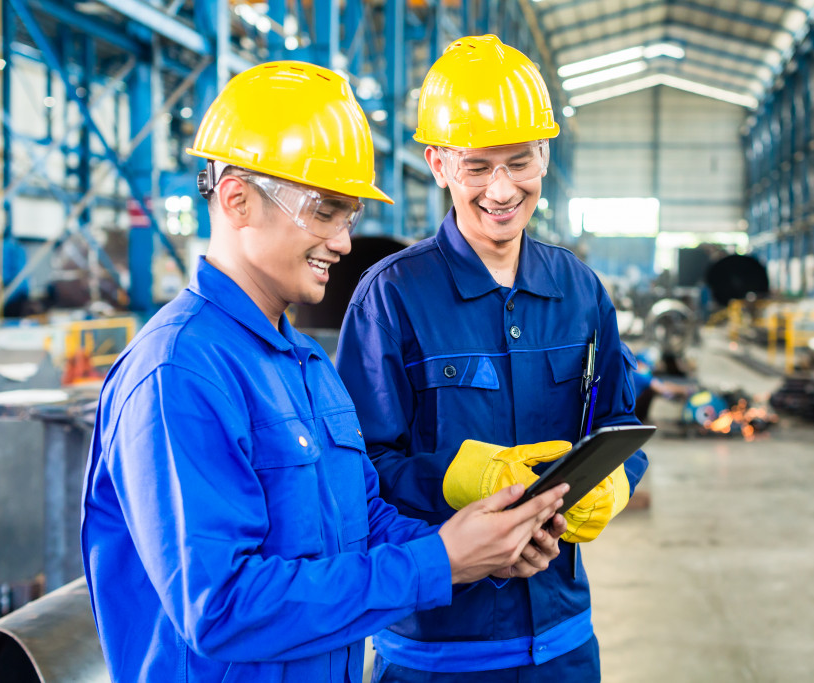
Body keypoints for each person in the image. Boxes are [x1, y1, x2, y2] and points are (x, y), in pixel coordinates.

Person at [80, 61, 568, 683]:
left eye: (350, 216)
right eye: (326, 211)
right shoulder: (181, 372)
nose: (342, 242)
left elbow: (365, 521)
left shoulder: (305, 365)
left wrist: (478, 544)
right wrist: (437, 563)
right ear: (237, 199)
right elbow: (221, 606)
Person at [337, 36, 649, 682]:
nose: (502, 189)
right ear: (438, 163)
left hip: (563, 642)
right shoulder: (391, 298)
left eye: (520, 161)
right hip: (436, 652)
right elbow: (357, 471)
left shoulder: (581, 291)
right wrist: (456, 478)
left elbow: (620, 424)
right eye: (477, 166)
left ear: (544, 157)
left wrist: (615, 483)